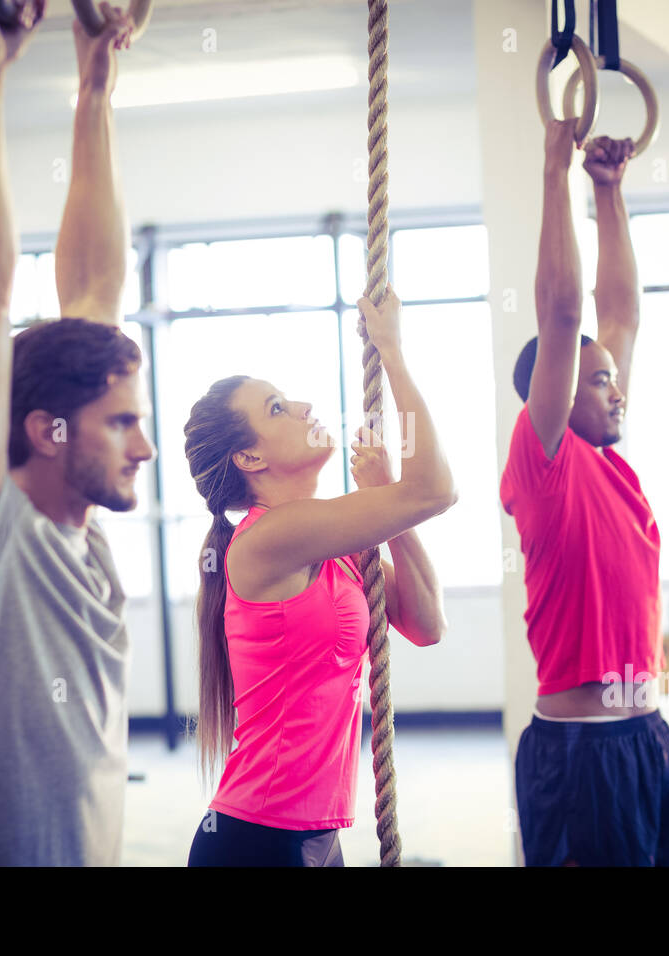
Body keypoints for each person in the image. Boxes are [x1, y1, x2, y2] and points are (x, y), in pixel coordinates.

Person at [0, 1, 154, 865]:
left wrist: (94, 91)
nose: (145, 448)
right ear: (47, 431)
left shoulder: (79, 538)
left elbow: (93, 289)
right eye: (123, 424)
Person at [183, 287, 455, 866]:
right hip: (256, 842)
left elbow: (429, 624)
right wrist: (392, 351)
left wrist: (390, 509)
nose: (305, 407)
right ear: (249, 460)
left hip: (314, 838)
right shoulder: (267, 540)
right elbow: (436, 490)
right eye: (277, 409)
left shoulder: (332, 548)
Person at [500, 122, 669, 866]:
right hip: (580, 753)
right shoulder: (544, 465)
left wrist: (609, 194)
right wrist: (555, 167)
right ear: (555, 394)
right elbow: (566, 316)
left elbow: (621, 316)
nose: (619, 391)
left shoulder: (612, 462)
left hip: (645, 737)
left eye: (615, 376)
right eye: (601, 379)